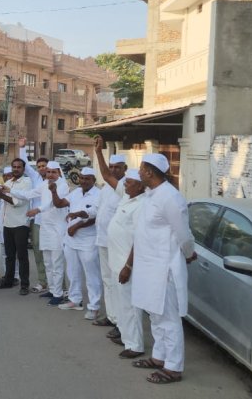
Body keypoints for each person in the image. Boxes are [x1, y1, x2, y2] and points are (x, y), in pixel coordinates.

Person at [128, 153, 196, 384]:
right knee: (155, 315)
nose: (138, 173)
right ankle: (159, 357)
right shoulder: (150, 195)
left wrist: (188, 254)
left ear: (149, 171)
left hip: (163, 268)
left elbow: (183, 235)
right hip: (148, 267)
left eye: (141, 169)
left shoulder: (170, 197)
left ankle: (174, 368)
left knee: (168, 319)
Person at [14, 161, 69, 306]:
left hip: (57, 229)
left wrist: (37, 210)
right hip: (45, 228)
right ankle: (52, 289)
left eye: (53, 172)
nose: (50, 174)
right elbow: (28, 194)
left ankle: (58, 294)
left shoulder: (62, 185)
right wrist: (9, 191)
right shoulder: (44, 184)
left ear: (59, 173)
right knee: (47, 262)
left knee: (57, 263)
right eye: (48, 171)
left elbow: (52, 203)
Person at [108, 169, 146, 359]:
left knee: (130, 306)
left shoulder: (142, 205)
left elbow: (140, 239)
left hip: (127, 264)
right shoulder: (128, 197)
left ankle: (135, 345)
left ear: (140, 186)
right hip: (115, 260)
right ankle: (126, 336)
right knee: (121, 303)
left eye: (129, 182)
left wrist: (128, 266)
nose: (125, 184)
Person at [91, 136, 128, 327]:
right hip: (102, 240)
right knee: (107, 280)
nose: (113, 170)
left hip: (117, 245)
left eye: (118, 167)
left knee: (117, 283)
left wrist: (98, 151)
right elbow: (97, 209)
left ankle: (121, 323)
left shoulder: (127, 189)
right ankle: (112, 317)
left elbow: (105, 175)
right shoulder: (106, 188)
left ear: (125, 170)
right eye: (111, 167)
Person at [61, 167, 102, 316]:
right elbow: (61, 203)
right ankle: (75, 299)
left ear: (94, 180)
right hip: (71, 240)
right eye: (82, 178)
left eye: (87, 178)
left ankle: (94, 307)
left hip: (88, 240)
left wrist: (77, 225)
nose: (83, 181)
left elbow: (95, 216)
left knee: (92, 275)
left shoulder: (99, 194)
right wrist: (53, 191)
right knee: (72, 271)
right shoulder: (76, 192)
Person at [0, 161, 31, 294]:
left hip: (21, 224)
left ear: (23, 169)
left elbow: (18, 202)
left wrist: (2, 195)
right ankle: (8, 281)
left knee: (21, 256)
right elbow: (0, 200)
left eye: (18, 167)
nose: (16, 169)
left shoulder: (27, 182)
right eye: (14, 167)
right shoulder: (8, 183)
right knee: (9, 255)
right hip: (7, 224)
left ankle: (24, 285)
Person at [17, 138, 49, 292]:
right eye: (39, 166)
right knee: (37, 250)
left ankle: (58, 285)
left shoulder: (58, 180)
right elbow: (24, 163)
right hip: (36, 220)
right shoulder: (35, 177)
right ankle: (43, 281)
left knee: (52, 253)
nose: (42, 168)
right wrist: (22, 148)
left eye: (44, 166)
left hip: (51, 222)